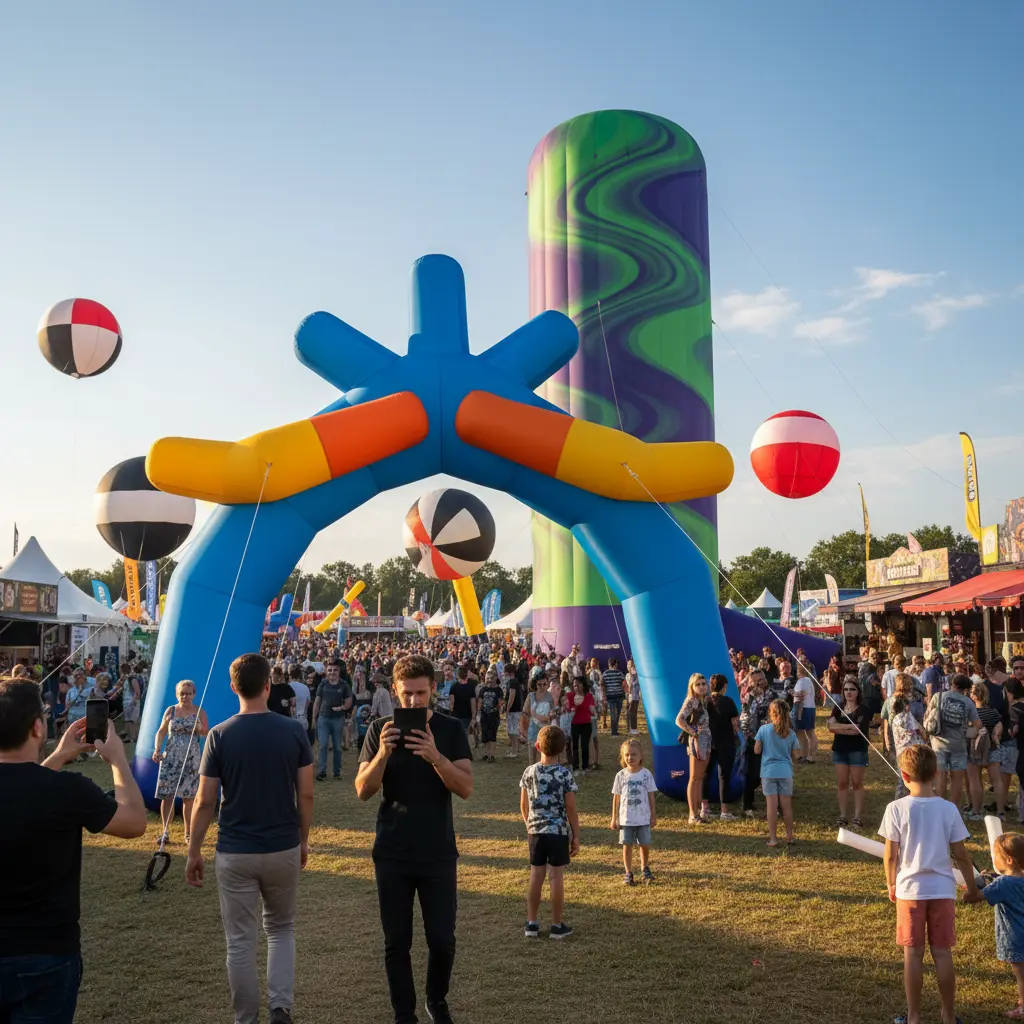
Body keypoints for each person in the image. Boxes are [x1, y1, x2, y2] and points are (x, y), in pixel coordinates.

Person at [0, 678, 146, 1023]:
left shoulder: (56, 787)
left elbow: (22, 790)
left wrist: (60, 755)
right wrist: (118, 761)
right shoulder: (66, 790)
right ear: (38, 727)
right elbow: (134, 822)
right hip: (46, 953)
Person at [187, 653, 314, 1024]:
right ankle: (280, 1008)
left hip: (236, 850)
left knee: (240, 941)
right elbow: (306, 794)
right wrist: (303, 839)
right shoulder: (293, 731)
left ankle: (246, 1018)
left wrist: (193, 850)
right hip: (282, 845)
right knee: (281, 929)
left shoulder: (219, 734)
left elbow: (204, 800)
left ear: (233, 687)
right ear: (268, 685)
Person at [356, 654, 473, 1024]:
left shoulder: (450, 729)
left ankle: (436, 1000)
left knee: (442, 939)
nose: (413, 700)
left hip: (437, 850)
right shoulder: (380, 729)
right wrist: (383, 753)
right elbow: (363, 790)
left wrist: (436, 757)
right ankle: (403, 1013)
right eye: (406, 693)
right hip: (392, 852)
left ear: (433, 689)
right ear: (395, 690)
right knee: (396, 941)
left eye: (421, 693)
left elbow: (465, 787)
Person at [879, 745, 980, 1024]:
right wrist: (972, 889)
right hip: (942, 891)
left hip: (909, 891)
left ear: (904, 776)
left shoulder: (896, 808)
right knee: (942, 953)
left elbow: (890, 855)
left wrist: (891, 883)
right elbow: (961, 855)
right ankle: (948, 1015)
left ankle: (914, 1017)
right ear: (936, 773)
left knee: (913, 955)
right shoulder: (949, 809)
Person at [519, 725, 579, 939]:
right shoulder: (564, 774)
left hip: (536, 831)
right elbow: (570, 806)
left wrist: (529, 824)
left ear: (537, 746)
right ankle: (556, 924)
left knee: (536, 876)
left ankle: (532, 923)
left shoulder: (529, 771)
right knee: (556, 877)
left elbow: (524, 805)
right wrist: (576, 835)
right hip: (558, 831)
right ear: (562, 749)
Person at [965, 832, 1024, 1018]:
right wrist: (989, 878)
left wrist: (971, 886)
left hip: (1015, 937)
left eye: (995, 855)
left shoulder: (1002, 883)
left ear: (1009, 860)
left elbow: (973, 898)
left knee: (1021, 973)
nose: (993, 858)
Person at [152, 679, 209, 844]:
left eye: (189, 693)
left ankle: (188, 833)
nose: (185, 697)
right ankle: (165, 832)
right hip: (170, 758)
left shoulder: (199, 711)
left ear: (194, 694)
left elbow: (206, 732)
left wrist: (200, 728)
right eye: (182, 694)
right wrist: (157, 749)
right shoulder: (171, 711)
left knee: (188, 798)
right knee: (167, 797)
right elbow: (161, 731)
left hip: (191, 759)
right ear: (177, 695)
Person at [925, 673, 980, 807]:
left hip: (938, 743)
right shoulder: (968, 702)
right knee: (957, 779)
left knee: (940, 777)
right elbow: (978, 724)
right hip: (958, 745)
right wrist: (968, 732)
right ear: (966, 689)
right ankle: (954, 808)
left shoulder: (938, 696)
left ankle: (939, 807)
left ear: (952, 684)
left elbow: (928, 715)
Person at [826, 675, 872, 828]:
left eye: (852, 689)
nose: (849, 692)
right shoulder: (838, 707)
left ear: (858, 691)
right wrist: (849, 726)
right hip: (840, 750)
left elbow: (857, 731)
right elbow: (830, 726)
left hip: (858, 750)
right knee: (842, 784)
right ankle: (843, 815)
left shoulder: (863, 709)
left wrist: (840, 728)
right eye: (846, 689)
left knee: (857, 783)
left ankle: (857, 816)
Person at [610, 737, 657, 885]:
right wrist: (614, 818)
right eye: (627, 755)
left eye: (634, 754)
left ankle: (645, 868)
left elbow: (651, 796)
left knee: (644, 844)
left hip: (643, 818)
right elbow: (616, 797)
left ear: (641, 756)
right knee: (627, 845)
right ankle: (628, 872)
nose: (630, 757)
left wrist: (653, 815)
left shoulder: (646, 774)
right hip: (626, 819)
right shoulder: (621, 775)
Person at [755, 699, 798, 847]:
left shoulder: (763, 730)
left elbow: (757, 750)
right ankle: (789, 837)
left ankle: (773, 839)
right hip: (785, 772)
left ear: (771, 713)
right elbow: (796, 755)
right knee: (787, 806)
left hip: (768, 772)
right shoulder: (791, 733)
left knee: (771, 807)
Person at [675, 672, 711, 825]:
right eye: (698, 684)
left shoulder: (703, 700)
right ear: (692, 686)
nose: (702, 687)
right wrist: (693, 732)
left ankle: (697, 812)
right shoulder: (691, 700)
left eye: (703, 684)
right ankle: (692, 814)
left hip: (706, 740)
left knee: (700, 777)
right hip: (697, 742)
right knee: (694, 778)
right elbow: (679, 719)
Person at [703, 673, 739, 820]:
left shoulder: (705, 701)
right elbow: (735, 723)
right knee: (724, 775)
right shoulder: (728, 701)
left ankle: (704, 808)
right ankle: (724, 810)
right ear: (724, 686)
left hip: (708, 743)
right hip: (726, 742)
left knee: (705, 774)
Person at [312, 661, 353, 781]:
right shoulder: (323, 683)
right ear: (326, 671)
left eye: (335, 670)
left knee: (337, 747)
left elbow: (349, 702)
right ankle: (321, 772)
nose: (332, 672)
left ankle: (337, 772)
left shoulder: (344, 685)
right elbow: (317, 701)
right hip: (323, 719)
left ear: (339, 671)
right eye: (329, 670)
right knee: (323, 745)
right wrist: (314, 718)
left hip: (338, 720)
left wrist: (341, 708)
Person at [740, 670, 772, 818]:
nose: (761, 681)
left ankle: (774, 805)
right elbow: (747, 718)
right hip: (754, 739)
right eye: (757, 680)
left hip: (771, 739)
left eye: (762, 678)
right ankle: (747, 805)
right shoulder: (749, 697)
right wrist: (757, 698)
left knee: (770, 772)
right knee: (753, 774)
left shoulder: (772, 694)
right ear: (751, 683)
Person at [524, 675, 555, 767]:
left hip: (545, 728)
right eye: (539, 684)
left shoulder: (550, 696)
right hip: (532, 727)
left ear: (547, 684)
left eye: (544, 684)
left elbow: (552, 711)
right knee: (532, 753)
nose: (542, 686)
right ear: (535, 684)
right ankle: (532, 770)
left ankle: (540, 769)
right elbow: (525, 711)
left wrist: (549, 717)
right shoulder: (531, 696)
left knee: (542, 752)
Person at [569, 677, 596, 775]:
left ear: (583, 685)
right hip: (574, 724)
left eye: (578, 685)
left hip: (586, 724)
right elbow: (566, 706)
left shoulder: (589, 696)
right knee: (575, 746)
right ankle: (575, 767)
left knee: (585, 746)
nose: (576, 688)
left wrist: (593, 710)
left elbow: (592, 708)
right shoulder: (571, 696)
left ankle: (585, 767)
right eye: (574, 686)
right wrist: (570, 709)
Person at [476, 668, 504, 763]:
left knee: (492, 735)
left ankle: (491, 755)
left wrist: (499, 710)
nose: (489, 680)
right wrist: (478, 713)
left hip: (494, 715)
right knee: (484, 735)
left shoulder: (498, 690)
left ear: (496, 678)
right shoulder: (483, 689)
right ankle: (486, 753)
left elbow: (500, 702)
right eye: (488, 678)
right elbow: (480, 701)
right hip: (484, 714)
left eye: (492, 678)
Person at [792, 662, 817, 764]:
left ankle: (808, 756)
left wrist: (791, 692)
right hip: (809, 707)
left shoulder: (802, 681)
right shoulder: (808, 680)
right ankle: (807, 755)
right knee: (808, 733)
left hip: (802, 708)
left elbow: (800, 695)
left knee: (803, 733)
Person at [602, 658, 626, 736]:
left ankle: (614, 731)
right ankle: (615, 730)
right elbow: (624, 684)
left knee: (612, 713)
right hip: (619, 695)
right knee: (617, 713)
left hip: (610, 696)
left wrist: (604, 695)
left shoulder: (605, 673)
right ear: (616, 664)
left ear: (609, 664)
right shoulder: (619, 673)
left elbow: (602, 685)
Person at [504, 667, 524, 759]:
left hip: (514, 710)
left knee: (512, 732)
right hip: (517, 709)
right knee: (513, 731)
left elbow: (512, 695)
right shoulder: (515, 682)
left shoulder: (512, 682)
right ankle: (516, 749)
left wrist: (507, 708)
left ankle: (514, 751)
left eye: (505, 673)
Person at [625, 658, 641, 734]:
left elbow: (635, 684)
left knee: (633, 713)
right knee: (629, 713)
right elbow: (629, 685)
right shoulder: (627, 675)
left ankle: (634, 729)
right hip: (629, 696)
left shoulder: (637, 675)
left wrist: (633, 675)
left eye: (631, 664)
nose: (629, 666)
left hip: (635, 697)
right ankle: (630, 728)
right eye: (628, 664)